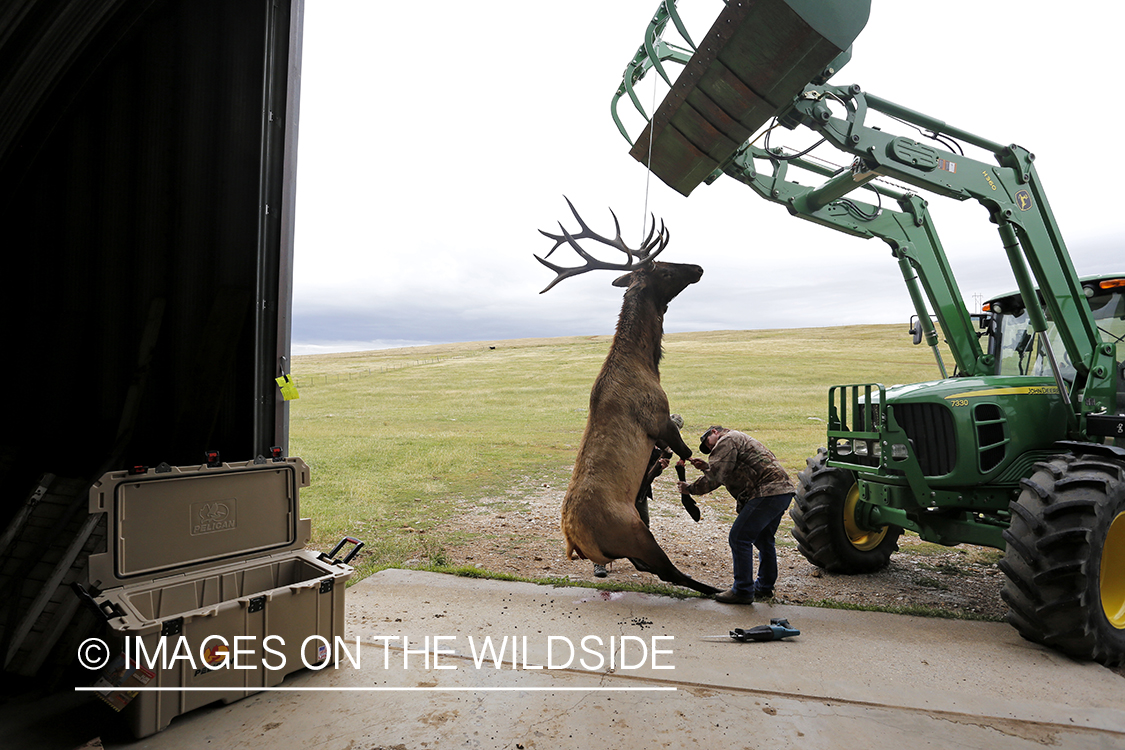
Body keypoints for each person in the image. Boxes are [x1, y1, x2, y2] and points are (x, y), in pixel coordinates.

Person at [676, 425, 795, 604]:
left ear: (714, 432)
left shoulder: (727, 440)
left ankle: (742, 590)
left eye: (708, 443)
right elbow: (734, 471)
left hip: (767, 492)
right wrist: (706, 467)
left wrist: (690, 489)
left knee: (739, 537)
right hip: (781, 491)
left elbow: (716, 477)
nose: (709, 448)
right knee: (764, 539)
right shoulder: (738, 439)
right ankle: (764, 587)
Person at [594, 415, 684, 579]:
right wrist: (655, 470)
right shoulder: (638, 441)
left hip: (639, 491)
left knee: (643, 525)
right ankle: (600, 562)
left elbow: (644, 480)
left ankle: (646, 560)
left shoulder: (664, 451)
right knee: (611, 524)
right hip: (619, 488)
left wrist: (657, 469)